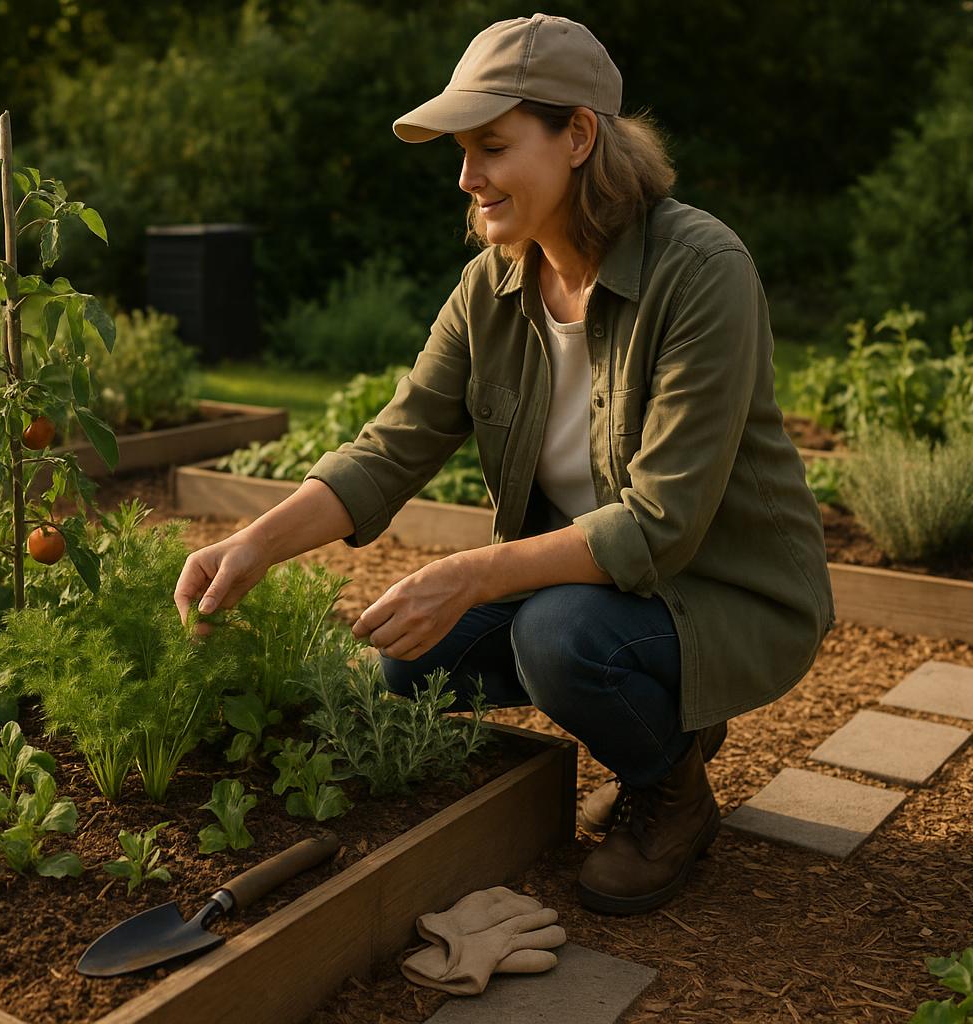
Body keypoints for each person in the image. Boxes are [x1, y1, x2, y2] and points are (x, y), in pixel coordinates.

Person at [173, 14, 834, 916]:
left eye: (490, 146)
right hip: (593, 582)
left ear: (578, 136)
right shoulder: (494, 284)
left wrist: (472, 572)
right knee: (408, 669)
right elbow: (391, 446)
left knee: (555, 639)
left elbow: (662, 522)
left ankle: (673, 794)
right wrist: (253, 542)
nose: (465, 176)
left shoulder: (701, 271)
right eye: (460, 151)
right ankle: (665, 710)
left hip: (722, 588)